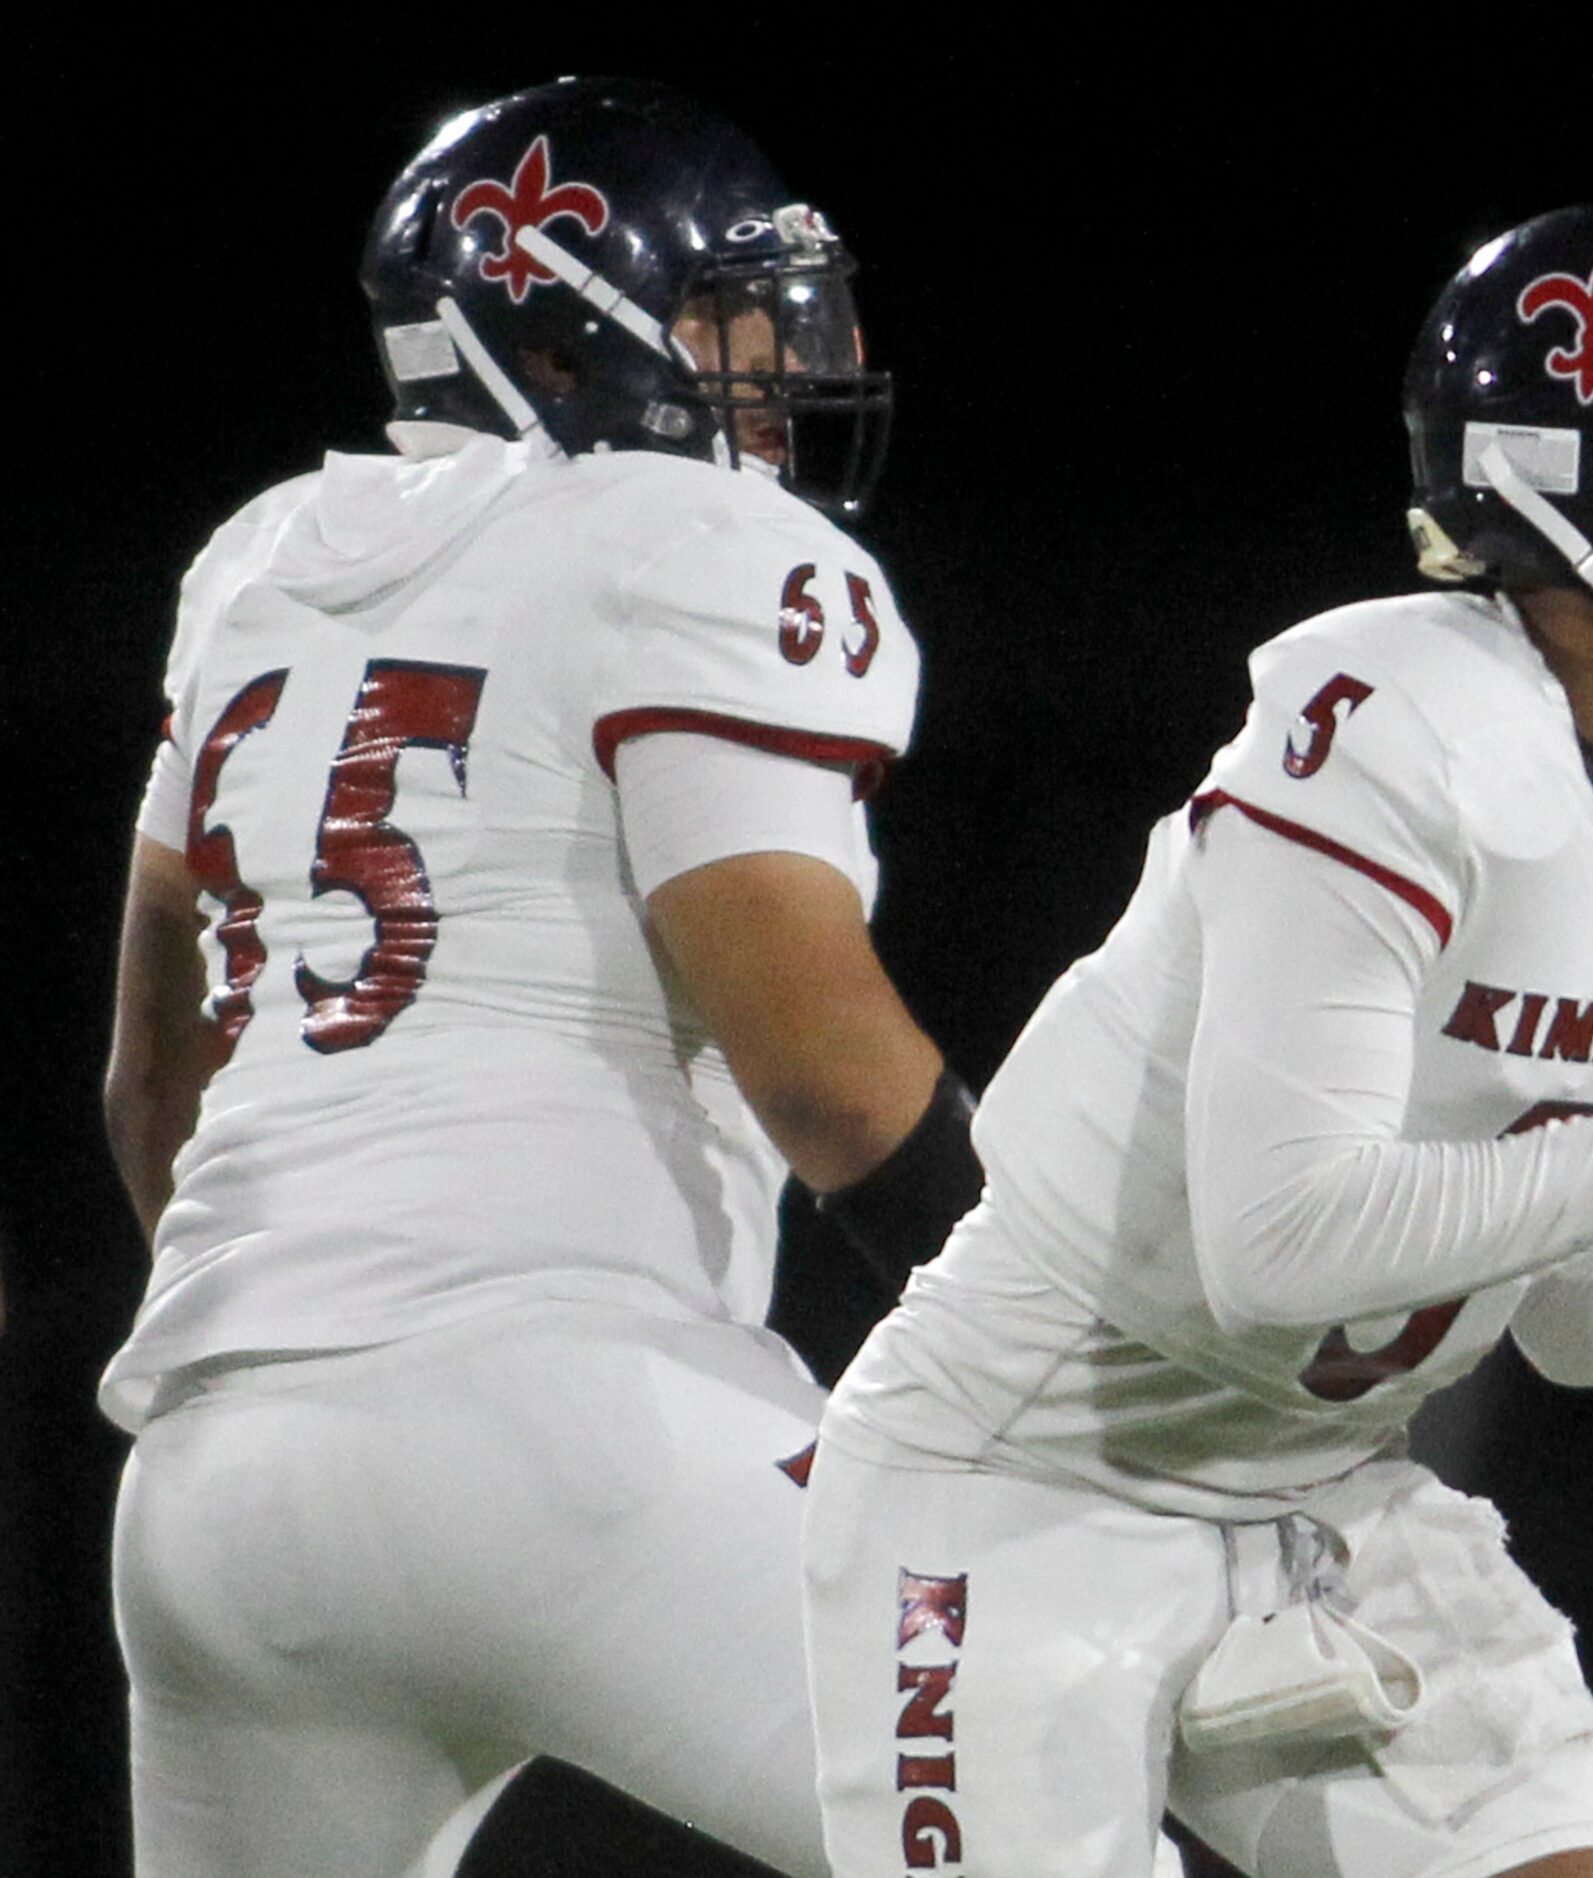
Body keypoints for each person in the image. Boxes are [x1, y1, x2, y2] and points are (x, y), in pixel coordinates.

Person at [800, 201, 1593, 1878]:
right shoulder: (1392, 723)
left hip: (1327, 1489)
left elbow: (1568, 1308)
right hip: (1021, 1480)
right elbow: (1279, 1241)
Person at [99, 77, 985, 1878]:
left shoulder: (257, 568)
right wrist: (1071, 1334)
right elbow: (827, 1077)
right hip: (570, 1417)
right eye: (733, 317)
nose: (787, 361)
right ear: (573, 334)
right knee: (1059, 1810)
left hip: (212, 1472)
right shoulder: (691, 544)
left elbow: (154, 1083)